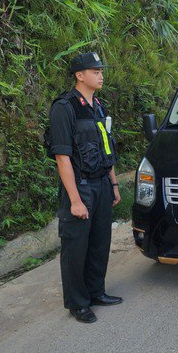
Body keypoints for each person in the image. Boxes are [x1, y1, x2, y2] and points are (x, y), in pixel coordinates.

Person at [49, 51, 122, 324]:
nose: (101, 75)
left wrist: (113, 183)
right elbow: (62, 156)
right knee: (76, 248)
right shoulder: (64, 107)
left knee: (99, 243)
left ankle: (96, 292)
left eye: (101, 70)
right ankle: (78, 303)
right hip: (79, 188)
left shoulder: (98, 106)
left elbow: (107, 149)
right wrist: (75, 200)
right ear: (80, 76)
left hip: (102, 183)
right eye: (95, 71)